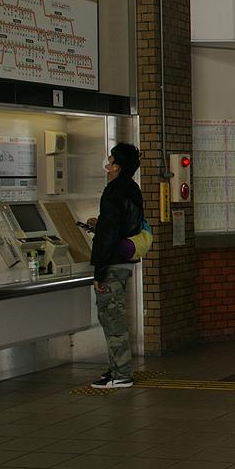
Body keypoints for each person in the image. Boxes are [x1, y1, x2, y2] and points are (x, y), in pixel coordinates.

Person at [88, 143, 144, 389]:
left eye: (111, 160)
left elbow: (109, 233)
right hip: (126, 261)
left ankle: (120, 374)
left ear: (118, 166)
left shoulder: (113, 192)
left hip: (112, 262)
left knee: (112, 319)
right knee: (115, 317)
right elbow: (125, 224)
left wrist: (99, 271)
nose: (107, 163)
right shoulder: (133, 189)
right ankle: (117, 369)